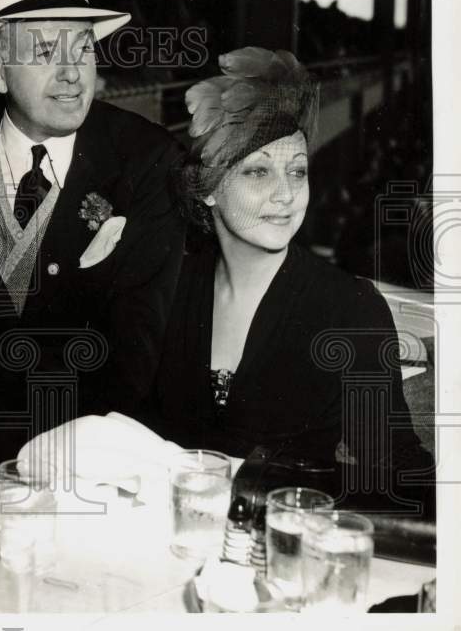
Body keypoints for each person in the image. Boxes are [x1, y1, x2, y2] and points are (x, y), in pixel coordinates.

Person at [0, 0, 187, 474]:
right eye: (43, 53)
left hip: (92, 450)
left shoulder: (146, 158)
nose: (71, 75)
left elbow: (141, 345)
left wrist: (74, 464)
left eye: (82, 49)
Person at [146, 46, 432, 511]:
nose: (286, 194)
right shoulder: (169, 288)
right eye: (258, 172)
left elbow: (397, 469)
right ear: (209, 189)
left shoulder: (347, 308)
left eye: (297, 171)